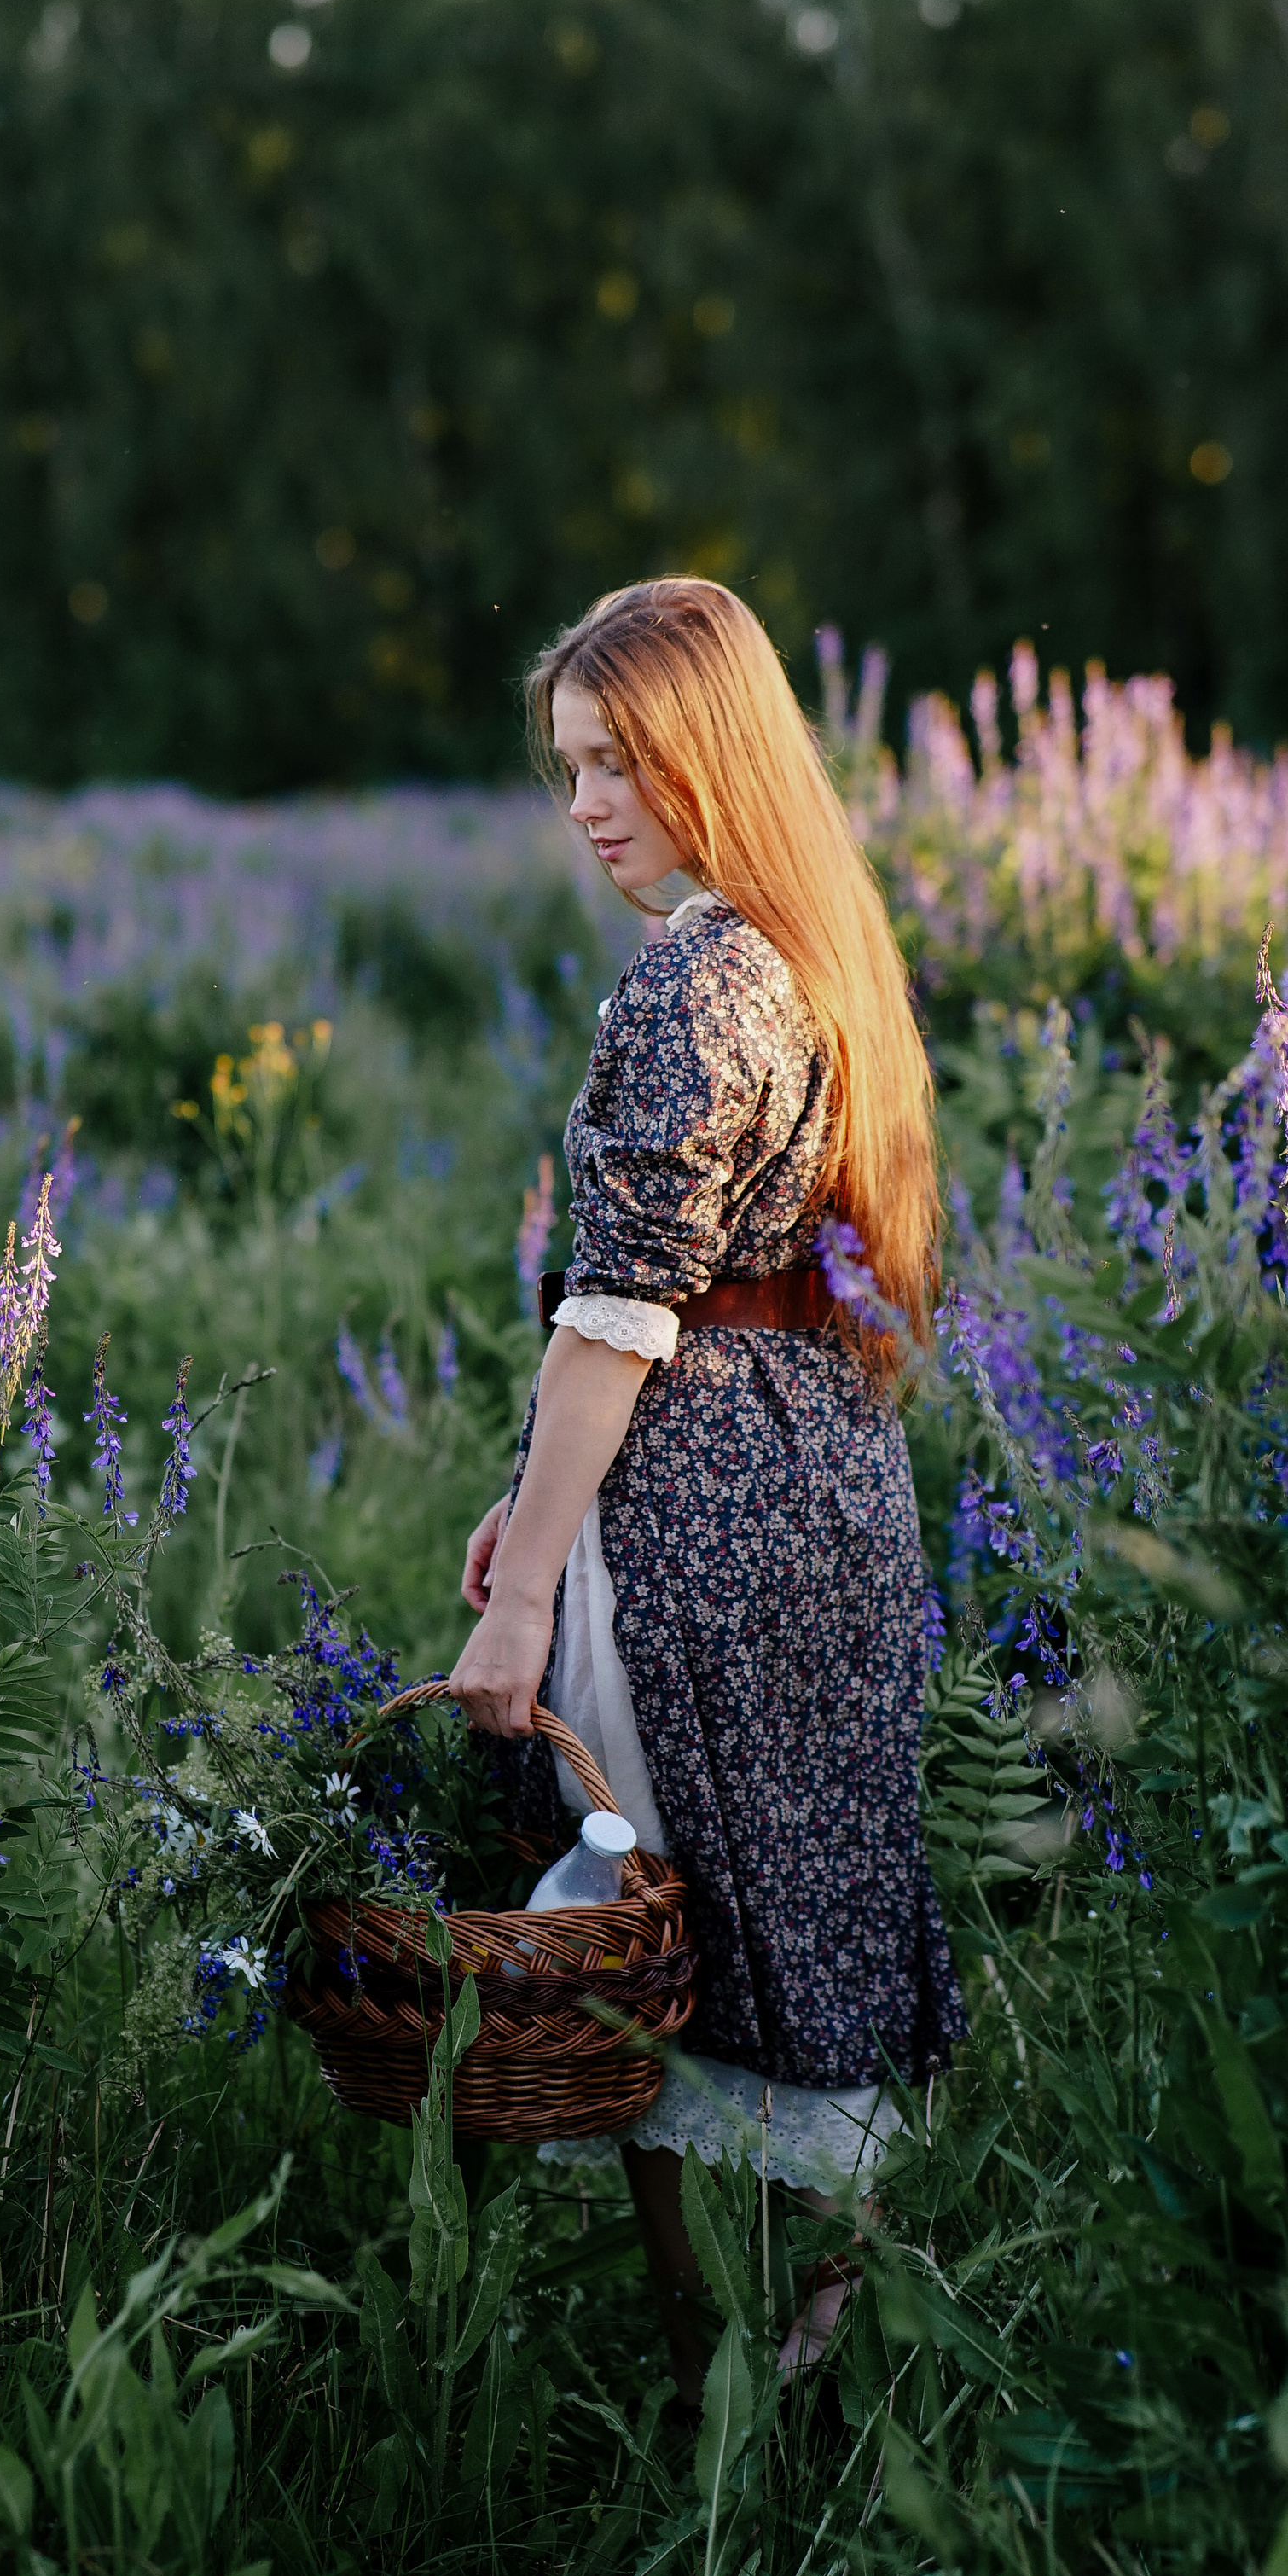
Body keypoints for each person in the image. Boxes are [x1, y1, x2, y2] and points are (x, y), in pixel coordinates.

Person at [447, 577, 964, 2400]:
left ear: (708, 758)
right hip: (822, 1477)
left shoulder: (690, 973)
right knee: (798, 1890)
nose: (585, 803)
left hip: (689, 1513)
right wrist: (532, 1500)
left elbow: (617, 1315)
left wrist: (523, 1594)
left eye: (621, 762)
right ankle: (829, 2323)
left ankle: (709, 2362)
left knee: (641, 1920)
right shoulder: (816, 952)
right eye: (569, 765)